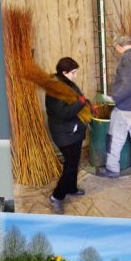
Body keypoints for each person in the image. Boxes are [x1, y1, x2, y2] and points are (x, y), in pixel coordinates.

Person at [96, 35, 131, 178]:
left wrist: (113, 98)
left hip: (126, 107)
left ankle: (112, 169)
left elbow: (127, 84)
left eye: (116, 48)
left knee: (115, 138)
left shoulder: (126, 59)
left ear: (119, 46)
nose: (117, 51)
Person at [47, 57, 89, 215]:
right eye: (73, 73)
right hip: (64, 133)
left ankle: (71, 187)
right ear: (64, 72)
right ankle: (57, 197)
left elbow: (78, 98)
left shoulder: (67, 82)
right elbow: (63, 113)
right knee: (70, 166)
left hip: (74, 130)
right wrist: (81, 103)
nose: (76, 76)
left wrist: (87, 102)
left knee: (74, 162)